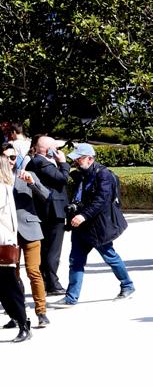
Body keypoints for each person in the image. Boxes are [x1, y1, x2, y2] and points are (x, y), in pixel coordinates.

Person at [59, 144, 134, 306]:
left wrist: (83, 215)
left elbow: (101, 200)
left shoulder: (103, 175)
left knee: (110, 257)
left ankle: (127, 285)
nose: (76, 162)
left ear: (90, 159)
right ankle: (71, 297)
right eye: (75, 160)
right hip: (81, 226)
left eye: (78, 159)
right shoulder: (81, 174)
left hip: (98, 226)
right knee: (76, 260)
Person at [8, 143, 49, 329]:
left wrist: (32, 183)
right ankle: (17, 314)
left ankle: (41, 312)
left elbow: (46, 196)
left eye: (13, 157)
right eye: (6, 157)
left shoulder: (27, 175)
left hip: (30, 230)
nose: (10, 161)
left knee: (33, 271)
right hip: (8, 234)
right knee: (11, 275)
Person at [25, 136, 69, 295]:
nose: (57, 150)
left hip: (49, 209)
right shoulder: (40, 162)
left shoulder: (39, 161)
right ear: (47, 149)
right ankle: (52, 283)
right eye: (55, 147)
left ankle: (46, 281)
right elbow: (62, 179)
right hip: (53, 210)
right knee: (52, 249)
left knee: (46, 248)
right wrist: (63, 163)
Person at [1, 151, 32, 341]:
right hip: (5, 240)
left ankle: (23, 323)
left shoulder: (2, 188)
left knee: (10, 287)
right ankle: (19, 320)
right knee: (6, 288)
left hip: (3, 242)